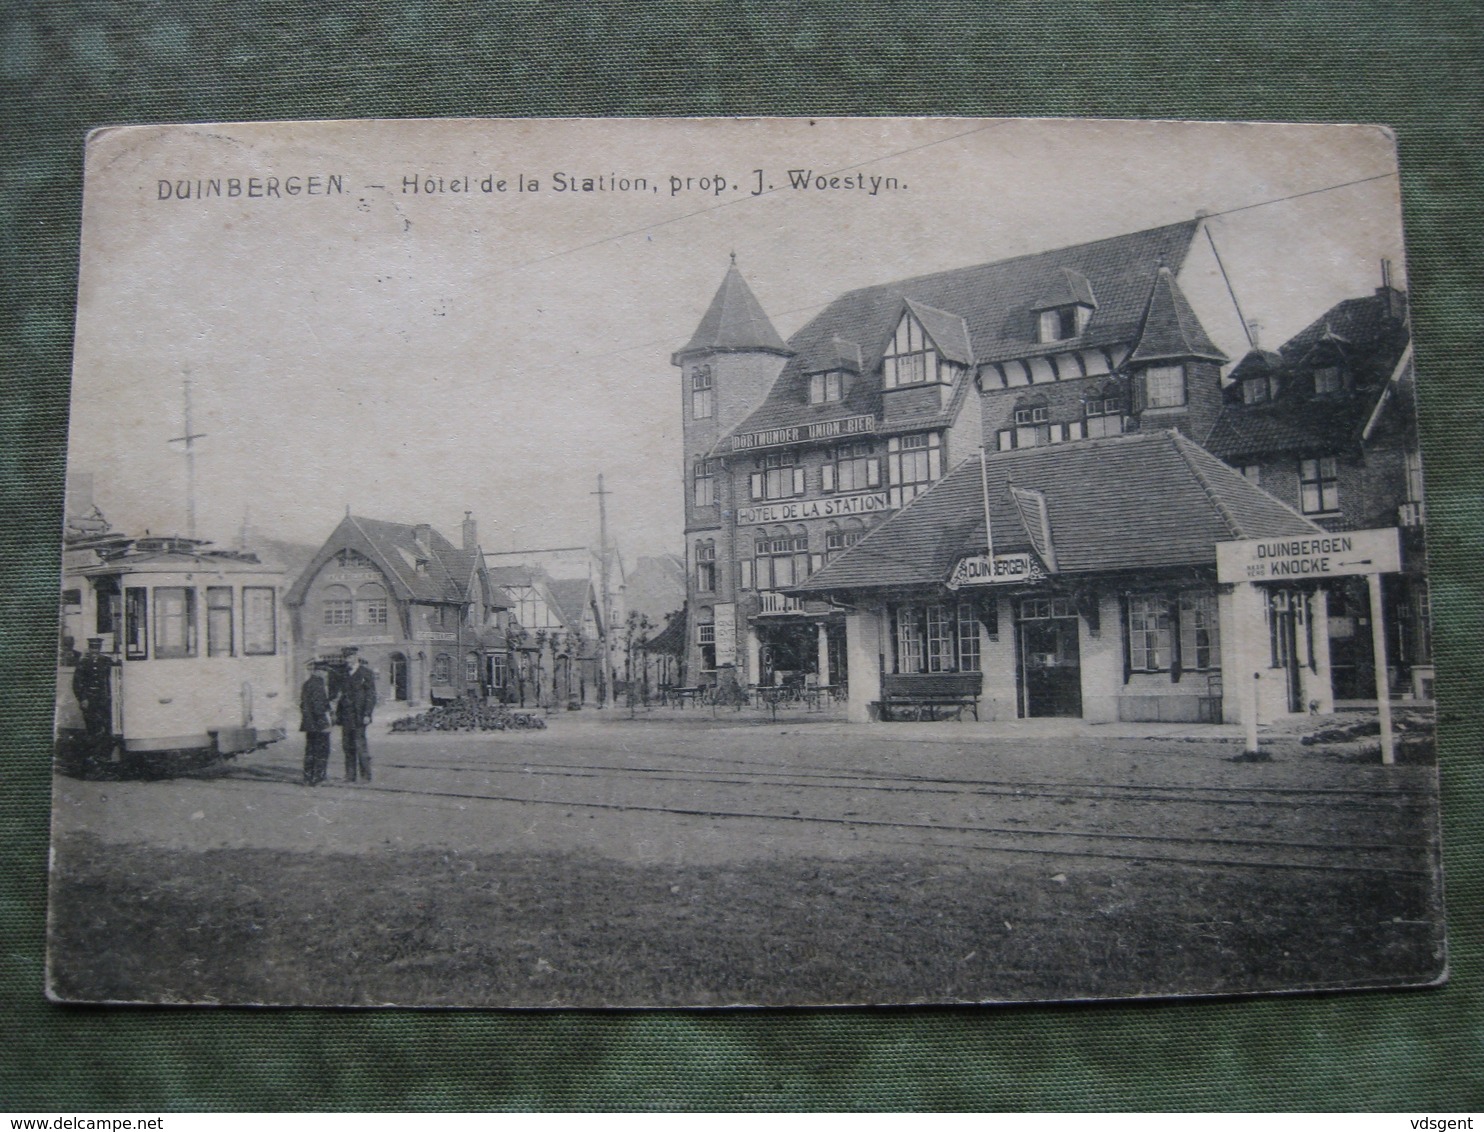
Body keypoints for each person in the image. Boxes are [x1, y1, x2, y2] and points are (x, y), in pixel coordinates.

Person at [332, 647, 377, 782]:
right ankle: (350, 775)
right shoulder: (343, 673)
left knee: (360, 746)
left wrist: (367, 714)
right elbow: (339, 694)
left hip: (359, 716)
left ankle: (365, 776)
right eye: (346, 658)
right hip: (346, 715)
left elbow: (371, 695)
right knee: (347, 746)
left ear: (356, 657)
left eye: (350, 657)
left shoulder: (365, 673)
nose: (347, 660)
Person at [71, 638, 114, 758]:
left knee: (106, 728)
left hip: (103, 699)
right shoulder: (83, 663)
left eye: (97, 648)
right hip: (90, 701)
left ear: (100, 648)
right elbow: (77, 683)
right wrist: (82, 699)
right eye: (92, 648)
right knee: (92, 728)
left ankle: (105, 756)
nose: (95, 650)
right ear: (89, 649)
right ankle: (92, 756)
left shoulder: (106, 661)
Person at [299, 661, 333, 786]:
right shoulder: (318, 684)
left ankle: (308, 777)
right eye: (325, 671)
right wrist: (324, 724)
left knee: (310, 751)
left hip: (309, 724)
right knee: (322, 751)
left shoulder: (307, 684)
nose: (326, 674)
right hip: (319, 724)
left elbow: (303, 704)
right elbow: (318, 707)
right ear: (319, 671)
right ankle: (318, 777)